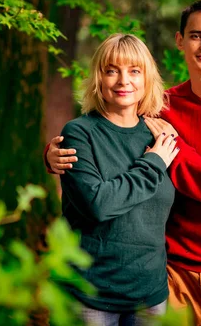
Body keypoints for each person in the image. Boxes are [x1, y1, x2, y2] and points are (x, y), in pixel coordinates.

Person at [47, 0, 201, 326]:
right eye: (196, 35)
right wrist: (53, 154)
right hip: (171, 270)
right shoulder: (162, 109)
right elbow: (112, 128)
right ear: (180, 41)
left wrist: (179, 150)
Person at [58, 33, 179, 325]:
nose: (124, 80)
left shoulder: (160, 134)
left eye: (134, 71)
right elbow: (98, 203)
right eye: (112, 70)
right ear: (99, 79)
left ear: (147, 78)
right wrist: (153, 163)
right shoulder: (79, 133)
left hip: (149, 296)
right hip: (91, 295)